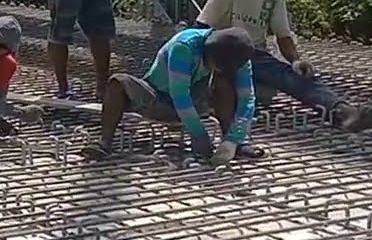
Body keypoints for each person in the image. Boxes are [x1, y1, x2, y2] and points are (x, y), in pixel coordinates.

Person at [194, 0, 372, 132]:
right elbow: (202, 26)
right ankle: (206, 104)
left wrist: (295, 61)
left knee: (292, 76)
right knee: (223, 81)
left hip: (253, 53)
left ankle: (344, 113)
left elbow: (283, 35)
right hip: (221, 49)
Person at [93, 27, 257, 165]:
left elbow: (247, 98)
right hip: (159, 97)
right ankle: (104, 143)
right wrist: (198, 133)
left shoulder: (238, 54)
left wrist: (236, 137)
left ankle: (234, 142)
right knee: (117, 83)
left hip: (196, 101)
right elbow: (180, 95)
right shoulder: (184, 47)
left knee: (224, 83)